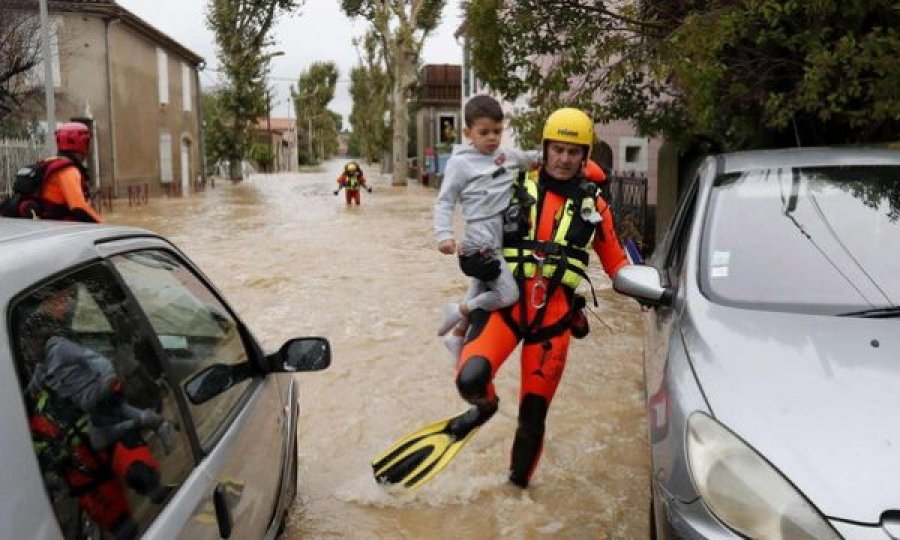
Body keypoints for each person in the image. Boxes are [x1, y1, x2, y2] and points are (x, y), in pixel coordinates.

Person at [20, 286, 172, 538]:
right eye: (60, 299)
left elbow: (99, 366)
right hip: (80, 453)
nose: (66, 304)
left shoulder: (45, 362)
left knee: (134, 484)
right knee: (125, 506)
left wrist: (104, 385)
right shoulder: (49, 360)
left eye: (67, 298)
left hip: (84, 447)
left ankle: (148, 483)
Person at [433, 94, 540, 361]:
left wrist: (558, 151)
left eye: (497, 131)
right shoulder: (459, 163)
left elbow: (532, 158)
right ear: (468, 132)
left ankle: (457, 337)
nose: (492, 138)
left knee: (479, 286)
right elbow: (445, 201)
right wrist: (444, 235)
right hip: (478, 237)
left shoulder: (506, 155)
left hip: (499, 234)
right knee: (508, 294)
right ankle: (458, 311)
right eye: (484, 132)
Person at [6, 122, 104, 223]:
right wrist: (102, 226)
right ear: (84, 143)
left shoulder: (50, 162)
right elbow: (78, 207)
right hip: (60, 229)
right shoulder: (68, 170)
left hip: (49, 226)